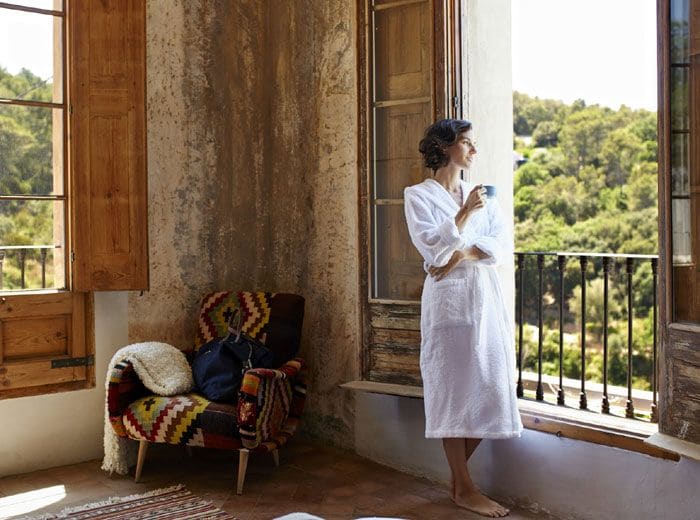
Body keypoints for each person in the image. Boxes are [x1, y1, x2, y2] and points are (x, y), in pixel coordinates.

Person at [404, 119, 523, 518]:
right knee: (453, 392)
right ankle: (464, 486)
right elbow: (430, 249)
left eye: (473, 143)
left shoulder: (483, 192)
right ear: (444, 147)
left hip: (485, 299)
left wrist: (463, 253)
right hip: (448, 305)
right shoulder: (418, 195)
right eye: (466, 143)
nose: (473, 150)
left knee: (492, 385)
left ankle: (459, 481)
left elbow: (501, 244)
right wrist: (462, 217)